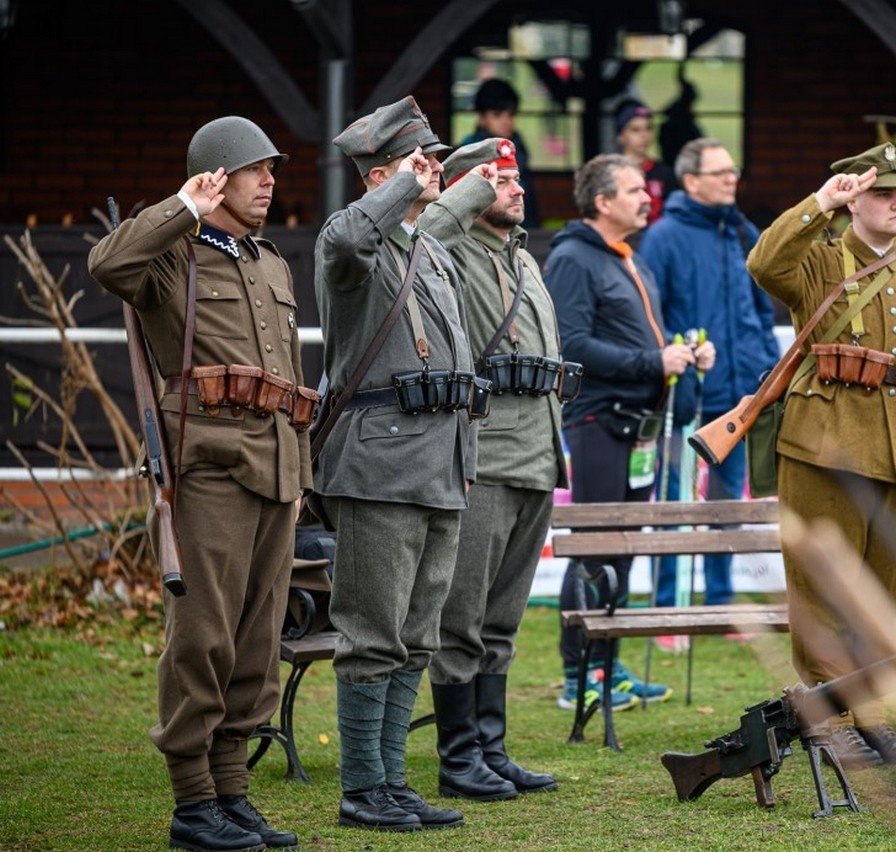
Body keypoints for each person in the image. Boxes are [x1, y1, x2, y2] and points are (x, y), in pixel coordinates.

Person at [88, 116, 311, 851]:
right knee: (204, 639)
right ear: (215, 177)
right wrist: (181, 206)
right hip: (210, 468)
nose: (269, 182)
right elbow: (107, 264)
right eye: (254, 171)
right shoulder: (169, 258)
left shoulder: (270, 261)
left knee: (255, 643)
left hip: (277, 468)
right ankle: (193, 804)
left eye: (271, 170)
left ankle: (233, 795)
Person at [746, 142, 896, 770]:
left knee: (884, 595)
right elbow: (764, 262)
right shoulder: (817, 264)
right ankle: (829, 721)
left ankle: (874, 718)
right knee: (823, 591)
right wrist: (819, 203)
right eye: (885, 193)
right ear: (854, 198)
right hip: (824, 449)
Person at [313, 95, 473, 832]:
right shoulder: (354, 247)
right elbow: (347, 241)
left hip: (440, 462)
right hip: (379, 464)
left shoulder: (427, 251)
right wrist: (399, 189)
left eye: (432, 161)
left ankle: (393, 782)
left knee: (416, 633)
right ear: (380, 176)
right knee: (371, 629)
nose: (431, 170)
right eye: (416, 162)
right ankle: (361, 787)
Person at [419, 137, 566, 798]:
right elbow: (427, 231)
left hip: (536, 455)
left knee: (503, 617)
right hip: (484, 457)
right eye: (496, 180)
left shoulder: (525, 260)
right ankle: (457, 758)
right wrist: (464, 191)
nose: (514, 188)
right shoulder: (448, 253)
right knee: (462, 617)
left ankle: (491, 747)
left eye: (513, 178)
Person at [543, 153, 716, 712]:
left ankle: (609, 670)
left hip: (639, 428)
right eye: (636, 190)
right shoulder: (572, 258)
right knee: (595, 550)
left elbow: (649, 343)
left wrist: (685, 354)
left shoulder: (630, 261)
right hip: (597, 422)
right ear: (602, 201)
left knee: (622, 552)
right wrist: (653, 362)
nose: (648, 198)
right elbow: (570, 346)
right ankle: (578, 678)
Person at [637, 137, 780, 643]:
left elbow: (762, 311)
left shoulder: (741, 232)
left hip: (741, 396)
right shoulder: (663, 237)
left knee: (727, 506)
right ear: (691, 180)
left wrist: (765, 369)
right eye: (719, 172)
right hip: (687, 394)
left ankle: (720, 604)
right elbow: (652, 316)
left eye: (733, 170)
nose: (731, 179)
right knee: (676, 504)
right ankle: (666, 613)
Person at [462, 78, 540, 228]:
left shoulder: (518, 146)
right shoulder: (470, 150)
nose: (506, 120)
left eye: (511, 114)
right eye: (497, 114)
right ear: (481, 117)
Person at [614, 99, 679, 224]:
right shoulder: (611, 173)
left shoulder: (665, 173)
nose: (644, 135)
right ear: (620, 136)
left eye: (648, 128)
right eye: (635, 130)